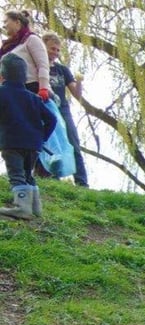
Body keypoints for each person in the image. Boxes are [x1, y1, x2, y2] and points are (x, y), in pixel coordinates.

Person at [0, 52, 57, 220]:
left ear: (3, 74)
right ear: (25, 77)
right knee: (27, 174)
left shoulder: (2, 93)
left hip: (11, 142)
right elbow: (51, 118)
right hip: (34, 145)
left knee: (16, 174)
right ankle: (35, 208)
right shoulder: (33, 98)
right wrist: (43, 137)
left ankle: (22, 207)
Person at [42, 32, 88, 187]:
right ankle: (53, 180)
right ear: (43, 47)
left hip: (63, 111)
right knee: (50, 146)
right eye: (51, 49)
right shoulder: (37, 67)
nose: (55, 53)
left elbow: (77, 94)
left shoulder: (62, 70)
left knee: (73, 143)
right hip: (46, 110)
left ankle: (81, 182)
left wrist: (80, 82)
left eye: (57, 50)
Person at [0, 10, 50, 100]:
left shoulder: (31, 39)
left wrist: (43, 88)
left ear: (17, 22)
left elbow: (42, 65)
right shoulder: (6, 48)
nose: (4, 25)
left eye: (6, 21)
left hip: (31, 89)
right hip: (11, 92)